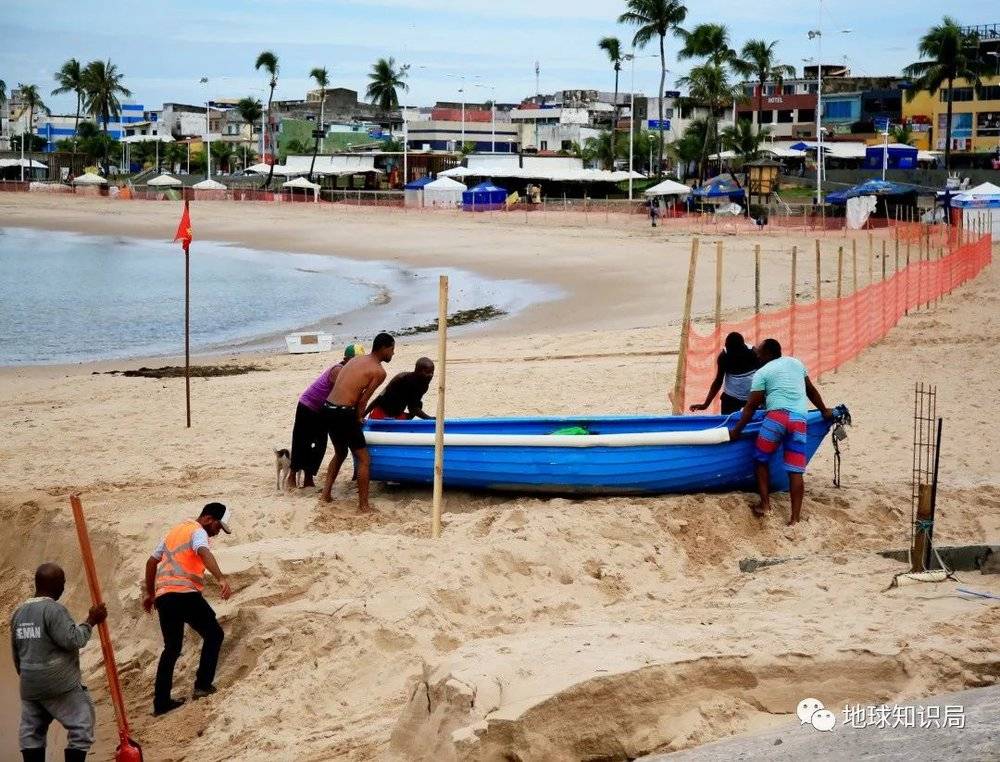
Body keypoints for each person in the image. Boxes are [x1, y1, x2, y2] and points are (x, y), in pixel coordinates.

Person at [728, 338, 832, 525]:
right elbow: (811, 391)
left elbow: (750, 407)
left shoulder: (762, 372)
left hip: (776, 419)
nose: (757, 356)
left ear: (768, 354)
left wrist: (736, 431)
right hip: (799, 420)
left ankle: (765, 504)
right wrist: (824, 411)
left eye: (759, 352)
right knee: (795, 471)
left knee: (760, 459)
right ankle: (795, 519)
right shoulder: (796, 363)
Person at [143, 502, 233, 716]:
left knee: (171, 648)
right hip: (185, 594)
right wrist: (220, 578)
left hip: (164, 596)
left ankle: (161, 703)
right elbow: (203, 551)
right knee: (214, 634)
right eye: (218, 527)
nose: (217, 532)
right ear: (208, 519)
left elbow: (151, 562)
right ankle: (202, 685)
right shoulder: (198, 531)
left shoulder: (173, 532)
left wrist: (150, 593)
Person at [11, 563, 107, 762]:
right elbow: (73, 639)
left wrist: (29, 677)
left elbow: (16, 654)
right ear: (54, 585)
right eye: (62, 582)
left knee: (31, 734)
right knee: (82, 724)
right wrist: (91, 620)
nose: (64, 586)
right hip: (59, 683)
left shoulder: (19, 614)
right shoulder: (54, 610)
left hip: (30, 685)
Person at [320, 332, 395, 511]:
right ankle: (363, 505)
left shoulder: (355, 360)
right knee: (364, 459)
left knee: (340, 453)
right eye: (392, 349)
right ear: (384, 348)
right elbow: (363, 401)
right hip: (343, 413)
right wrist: (359, 418)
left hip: (327, 408)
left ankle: (325, 495)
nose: (393, 353)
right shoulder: (379, 371)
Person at [287, 343, 366, 491]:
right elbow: (345, 393)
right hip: (308, 406)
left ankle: (309, 478)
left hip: (324, 410)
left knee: (320, 444)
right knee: (301, 441)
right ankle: (292, 476)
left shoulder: (351, 374)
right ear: (346, 359)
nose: (357, 365)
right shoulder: (338, 370)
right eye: (354, 361)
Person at [689, 332, 760, 415]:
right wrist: (705, 405)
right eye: (730, 350)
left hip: (753, 396)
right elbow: (718, 381)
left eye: (735, 350)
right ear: (726, 346)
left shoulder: (754, 353)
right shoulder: (724, 357)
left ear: (743, 346)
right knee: (727, 420)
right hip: (731, 397)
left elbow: (765, 376)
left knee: (757, 419)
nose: (734, 353)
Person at [366, 358, 435, 420]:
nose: (431, 375)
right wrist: (363, 415)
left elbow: (413, 407)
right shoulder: (401, 378)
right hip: (381, 414)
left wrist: (429, 418)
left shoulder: (424, 386)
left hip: (398, 416)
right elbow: (379, 398)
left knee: (419, 404)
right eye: (427, 372)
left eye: (432, 372)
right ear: (417, 371)